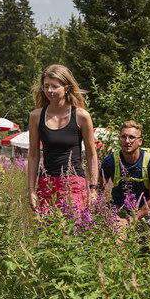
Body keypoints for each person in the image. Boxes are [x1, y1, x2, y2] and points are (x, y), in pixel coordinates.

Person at [27, 65, 98, 213]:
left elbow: (91, 154)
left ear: (66, 88)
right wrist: (32, 190)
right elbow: (33, 154)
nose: (50, 91)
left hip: (73, 183)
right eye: (46, 86)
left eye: (55, 86)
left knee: (73, 230)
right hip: (46, 183)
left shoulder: (81, 116)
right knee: (48, 232)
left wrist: (93, 188)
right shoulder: (36, 116)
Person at [100, 121, 150, 228]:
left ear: (140, 141)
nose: (127, 141)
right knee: (119, 236)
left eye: (131, 137)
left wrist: (132, 219)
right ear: (119, 139)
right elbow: (97, 188)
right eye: (123, 137)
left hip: (145, 214)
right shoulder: (110, 161)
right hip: (118, 213)